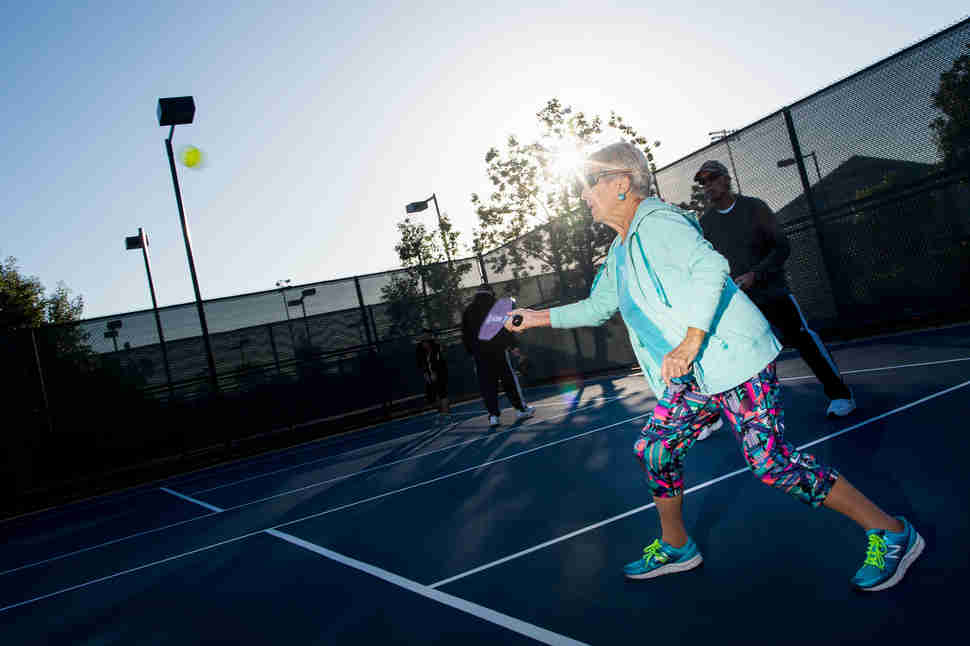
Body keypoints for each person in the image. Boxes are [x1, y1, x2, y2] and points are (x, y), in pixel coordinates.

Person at [505, 142, 923, 591]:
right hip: (695, 376)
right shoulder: (621, 250)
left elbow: (712, 268)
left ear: (621, 184)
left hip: (732, 360)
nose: (584, 195)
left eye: (591, 184)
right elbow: (596, 306)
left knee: (770, 463)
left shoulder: (659, 223)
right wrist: (535, 319)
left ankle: (892, 532)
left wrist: (689, 341)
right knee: (656, 450)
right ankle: (677, 545)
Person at [693, 160, 855, 421]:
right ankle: (733, 416)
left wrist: (756, 274)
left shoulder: (754, 207)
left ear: (726, 179)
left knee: (803, 340)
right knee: (737, 358)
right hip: (740, 305)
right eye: (702, 183)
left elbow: (781, 247)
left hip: (773, 293)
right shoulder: (706, 224)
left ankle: (840, 395)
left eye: (711, 179)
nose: (707, 186)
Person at [461, 288, 535, 427]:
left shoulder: (468, 310)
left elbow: (465, 335)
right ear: (491, 293)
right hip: (497, 351)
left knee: (487, 385)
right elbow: (505, 329)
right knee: (509, 380)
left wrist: (472, 352)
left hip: (480, 354)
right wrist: (514, 348)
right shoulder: (496, 306)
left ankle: (493, 416)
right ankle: (520, 409)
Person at [416, 329, 451, 425]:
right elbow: (420, 363)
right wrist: (426, 373)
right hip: (429, 373)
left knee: (442, 392)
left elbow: (438, 359)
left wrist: (435, 372)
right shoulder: (419, 348)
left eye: (426, 336)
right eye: (422, 337)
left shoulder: (436, 345)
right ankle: (440, 411)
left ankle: (446, 413)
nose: (424, 340)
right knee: (432, 395)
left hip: (440, 372)